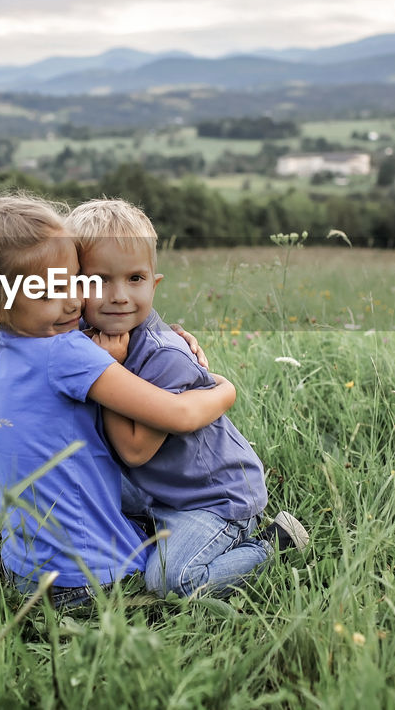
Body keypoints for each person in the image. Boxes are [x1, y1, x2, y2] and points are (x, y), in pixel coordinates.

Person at [0, 192, 239, 610]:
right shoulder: (69, 353)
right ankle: (270, 543)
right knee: (169, 580)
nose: (73, 302)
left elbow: (97, 313)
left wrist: (171, 335)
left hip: (21, 569)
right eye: (52, 289)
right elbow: (177, 414)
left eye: (75, 282)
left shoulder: (2, 344)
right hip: (84, 582)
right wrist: (224, 388)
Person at [64, 198, 309, 599]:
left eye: (135, 278)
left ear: (154, 283)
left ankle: (272, 547)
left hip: (210, 496)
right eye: (100, 280)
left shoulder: (165, 355)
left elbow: (135, 450)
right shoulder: (85, 331)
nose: (120, 295)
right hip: (157, 489)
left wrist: (109, 371)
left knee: (169, 580)